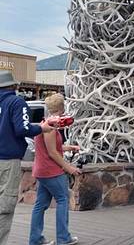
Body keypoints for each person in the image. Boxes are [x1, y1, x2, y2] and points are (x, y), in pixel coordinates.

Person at [0, 71, 57, 245]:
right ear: (13, 86)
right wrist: (41, 128)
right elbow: (22, 128)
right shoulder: (16, 102)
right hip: (8, 160)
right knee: (5, 206)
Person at [29, 94, 80, 245]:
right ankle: (63, 238)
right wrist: (69, 168)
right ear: (61, 108)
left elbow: (51, 147)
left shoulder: (45, 124)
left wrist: (69, 147)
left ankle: (35, 239)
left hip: (41, 170)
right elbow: (52, 152)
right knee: (63, 199)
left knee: (40, 204)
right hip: (51, 171)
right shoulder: (51, 127)